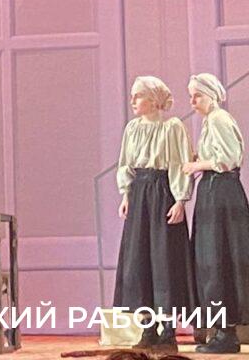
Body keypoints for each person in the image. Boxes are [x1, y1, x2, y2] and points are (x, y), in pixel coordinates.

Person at [114, 76, 196, 353]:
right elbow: (126, 163)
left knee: (164, 259)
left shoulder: (172, 127)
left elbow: (179, 163)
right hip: (139, 194)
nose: (133, 101)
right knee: (139, 259)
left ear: (153, 99)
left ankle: (168, 330)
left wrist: (180, 200)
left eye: (138, 96)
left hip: (162, 193)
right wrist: (126, 195)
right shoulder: (132, 128)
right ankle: (148, 328)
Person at [181, 73, 248, 354]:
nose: (193, 101)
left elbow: (228, 159)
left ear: (210, 95)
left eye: (197, 95)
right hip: (214, 193)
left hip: (221, 195)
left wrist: (196, 166)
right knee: (213, 260)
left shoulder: (219, 119)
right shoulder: (211, 121)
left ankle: (226, 332)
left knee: (220, 259)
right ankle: (222, 329)